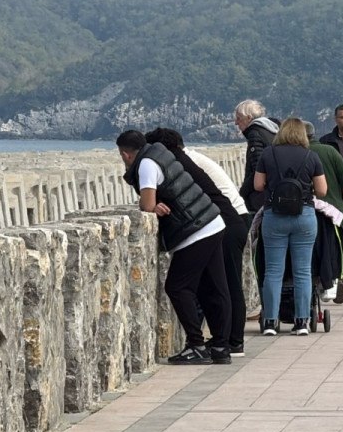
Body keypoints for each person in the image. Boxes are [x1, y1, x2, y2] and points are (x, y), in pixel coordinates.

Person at [116, 130, 231, 364]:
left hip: (195, 229)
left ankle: (196, 345)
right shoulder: (159, 153)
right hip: (211, 220)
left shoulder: (146, 165)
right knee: (214, 287)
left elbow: (147, 204)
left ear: (126, 154)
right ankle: (221, 346)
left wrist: (152, 204)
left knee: (177, 287)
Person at [144, 128, 249, 357]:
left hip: (226, 221)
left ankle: (232, 342)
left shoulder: (181, 163)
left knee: (226, 285)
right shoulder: (185, 159)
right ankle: (223, 342)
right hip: (227, 218)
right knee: (213, 285)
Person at [253, 118, 328, 337]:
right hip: (304, 215)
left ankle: (270, 321)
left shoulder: (268, 154)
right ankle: (302, 321)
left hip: (274, 216)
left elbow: (258, 185)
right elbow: (322, 190)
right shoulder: (311, 156)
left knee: (273, 271)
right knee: (302, 271)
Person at [305, 121, 343, 297]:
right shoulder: (330, 151)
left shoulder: (300, 154)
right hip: (334, 211)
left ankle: (317, 283)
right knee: (338, 249)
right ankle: (339, 278)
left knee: (311, 252)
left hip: (306, 210)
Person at [234, 99, 279, 211]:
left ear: (249, 118)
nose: (236, 122)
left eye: (239, 118)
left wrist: (242, 193)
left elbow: (258, 169)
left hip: (261, 195)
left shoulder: (255, 134)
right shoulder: (273, 131)